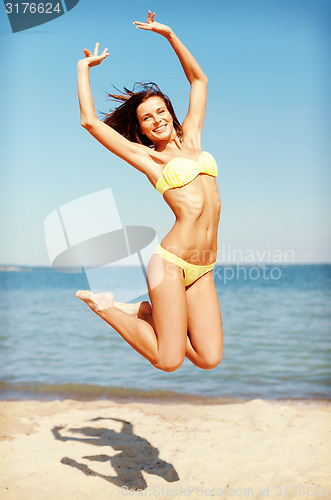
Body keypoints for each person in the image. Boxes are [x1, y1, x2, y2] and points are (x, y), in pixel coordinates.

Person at [76, 11, 223, 372]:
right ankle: (106, 307)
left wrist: (170, 35)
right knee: (168, 359)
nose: (156, 119)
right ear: (141, 130)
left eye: (160, 112)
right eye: (146, 118)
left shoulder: (194, 139)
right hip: (171, 263)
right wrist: (84, 69)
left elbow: (199, 80)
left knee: (209, 357)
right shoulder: (148, 159)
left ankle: (150, 311)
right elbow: (90, 121)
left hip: (203, 266)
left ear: (170, 113)